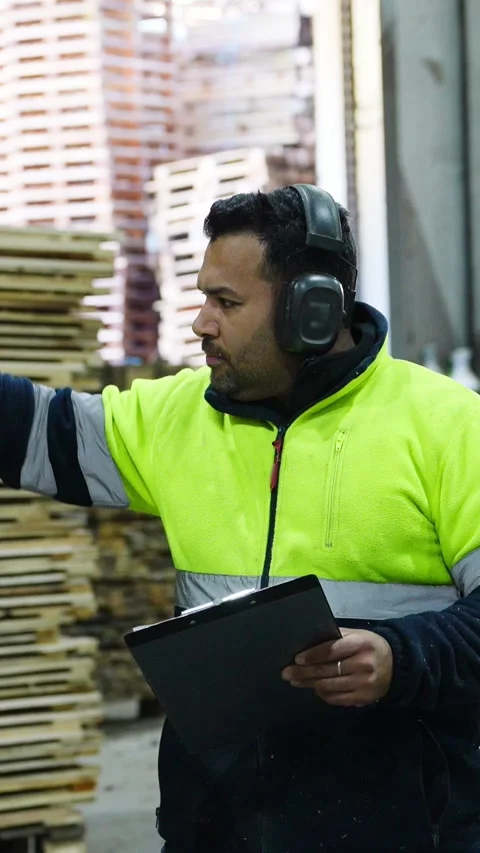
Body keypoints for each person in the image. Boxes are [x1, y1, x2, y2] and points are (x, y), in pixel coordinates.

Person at [1, 185, 480, 853]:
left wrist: (403, 657)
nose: (202, 323)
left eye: (225, 302)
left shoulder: (448, 426)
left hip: (395, 825)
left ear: (311, 310)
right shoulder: (178, 415)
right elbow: (31, 429)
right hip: (213, 825)